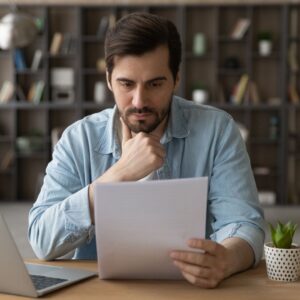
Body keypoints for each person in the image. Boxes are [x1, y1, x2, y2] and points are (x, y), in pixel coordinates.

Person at [28, 12, 265, 288]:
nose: (139, 101)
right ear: (108, 79)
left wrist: (226, 259)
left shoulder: (217, 129)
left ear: (176, 79)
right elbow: (41, 240)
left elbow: (245, 224)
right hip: (102, 292)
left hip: (192, 289)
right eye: (126, 84)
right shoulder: (79, 138)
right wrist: (116, 177)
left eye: (155, 84)